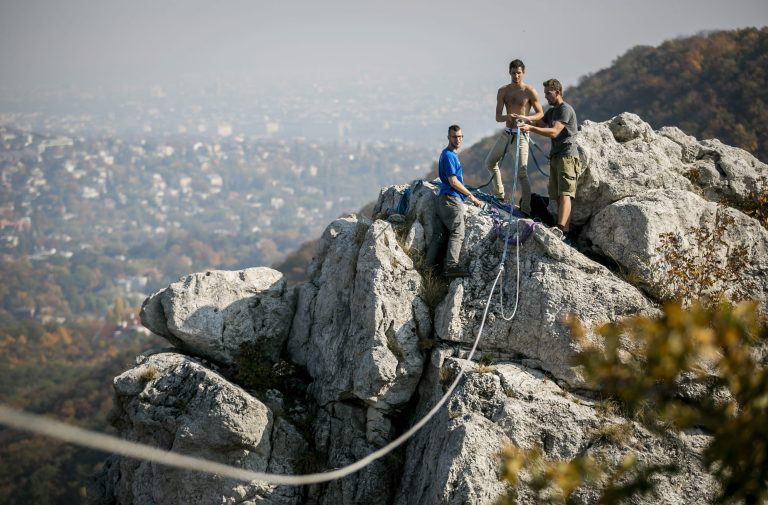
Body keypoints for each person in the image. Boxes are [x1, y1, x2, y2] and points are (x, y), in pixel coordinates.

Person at [520, 78, 581, 237]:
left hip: (567, 156)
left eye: (548, 93)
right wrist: (524, 118)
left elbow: (554, 131)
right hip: (556, 157)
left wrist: (530, 127)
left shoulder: (564, 110)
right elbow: (540, 123)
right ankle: (561, 229)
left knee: (565, 194)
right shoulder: (552, 111)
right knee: (557, 196)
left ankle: (562, 229)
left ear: (558, 92)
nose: (546, 96)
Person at [484, 59, 544, 215]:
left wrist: (526, 119)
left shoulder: (529, 91)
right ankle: (500, 196)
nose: (516, 76)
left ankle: (526, 209)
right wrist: (507, 116)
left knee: (522, 174)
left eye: (519, 73)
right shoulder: (503, 91)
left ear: (523, 73)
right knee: (490, 162)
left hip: (521, 135)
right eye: (513, 73)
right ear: (509, 73)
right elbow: (498, 117)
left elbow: (540, 113)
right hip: (507, 134)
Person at [426, 125, 482, 277]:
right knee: (458, 231)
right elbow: (453, 181)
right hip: (451, 199)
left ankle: (428, 269)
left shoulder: (446, 154)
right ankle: (451, 266)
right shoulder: (450, 155)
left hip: (442, 201)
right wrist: (471, 196)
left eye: (460, 137)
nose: (457, 139)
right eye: (454, 137)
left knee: (439, 235)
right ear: (448, 138)